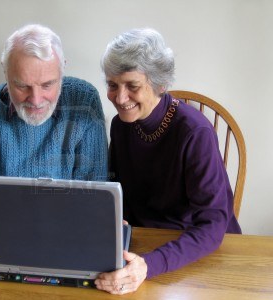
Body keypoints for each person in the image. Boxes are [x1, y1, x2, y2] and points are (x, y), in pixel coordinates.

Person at [0, 24, 108, 259]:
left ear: (62, 71)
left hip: (66, 242)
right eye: (22, 85)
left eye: (47, 85)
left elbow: (95, 187)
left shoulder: (84, 100)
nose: (36, 100)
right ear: (5, 73)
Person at [95, 28, 241, 294]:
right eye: (112, 85)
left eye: (132, 86)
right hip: (142, 243)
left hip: (191, 248)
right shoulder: (119, 125)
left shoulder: (195, 132)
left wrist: (149, 265)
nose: (120, 97)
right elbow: (119, 188)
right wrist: (118, 217)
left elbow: (212, 223)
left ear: (159, 83)